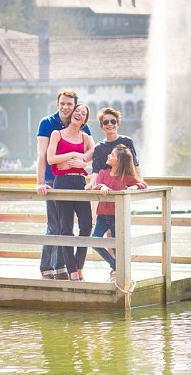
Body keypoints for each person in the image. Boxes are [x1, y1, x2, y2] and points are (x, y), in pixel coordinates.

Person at [35, 90, 91, 280]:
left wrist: (84, 161)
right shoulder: (48, 124)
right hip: (53, 180)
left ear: (75, 106)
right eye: (63, 103)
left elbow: (90, 152)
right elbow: (42, 155)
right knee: (55, 225)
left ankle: (62, 267)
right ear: (57, 104)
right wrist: (40, 183)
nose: (66, 107)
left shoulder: (83, 127)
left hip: (76, 180)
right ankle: (47, 267)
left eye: (70, 104)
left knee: (71, 225)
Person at [47, 103, 95, 282]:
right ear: (72, 114)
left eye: (83, 114)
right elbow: (51, 158)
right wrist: (73, 154)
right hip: (63, 182)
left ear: (84, 120)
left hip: (80, 182)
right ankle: (72, 271)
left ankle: (79, 265)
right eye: (77, 111)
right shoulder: (57, 134)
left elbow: (93, 153)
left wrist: (84, 162)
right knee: (66, 227)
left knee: (86, 225)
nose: (79, 114)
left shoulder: (86, 137)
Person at [86, 144, 146, 280]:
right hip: (102, 215)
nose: (108, 156)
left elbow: (143, 184)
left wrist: (135, 187)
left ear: (119, 161)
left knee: (116, 245)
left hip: (116, 216)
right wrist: (103, 186)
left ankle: (118, 269)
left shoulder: (126, 176)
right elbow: (97, 185)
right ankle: (115, 266)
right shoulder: (103, 173)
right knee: (95, 240)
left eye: (112, 155)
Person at [91, 107, 143, 176]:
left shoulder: (127, 141)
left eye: (113, 121)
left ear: (118, 124)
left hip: (125, 184)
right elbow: (96, 171)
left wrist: (140, 182)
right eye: (106, 122)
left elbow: (135, 164)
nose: (110, 124)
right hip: (106, 185)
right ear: (101, 126)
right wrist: (92, 183)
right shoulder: (98, 147)